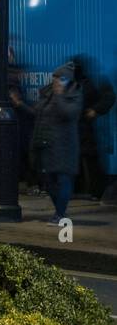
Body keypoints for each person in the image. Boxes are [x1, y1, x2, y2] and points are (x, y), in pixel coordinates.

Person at [17, 63, 84, 226]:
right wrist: (20, 105)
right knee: (48, 180)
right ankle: (60, 211)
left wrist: (60, 95)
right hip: (45, 144)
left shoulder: (74, 94)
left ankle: (60, 214)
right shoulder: (46, 93)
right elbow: (37, 113)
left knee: (62, 179)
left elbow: (69, 113)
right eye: (54, 77)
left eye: (60, 78)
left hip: (63, 145)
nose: (56, 81)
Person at [71, 55, 114, 200]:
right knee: (83, 159)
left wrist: (95, 110)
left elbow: (108, 98)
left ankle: (93, 190)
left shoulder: (91, 81)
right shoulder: (85, 81)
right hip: (79, 127)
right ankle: (85, 190)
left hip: (87, 127)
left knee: (89, 159)